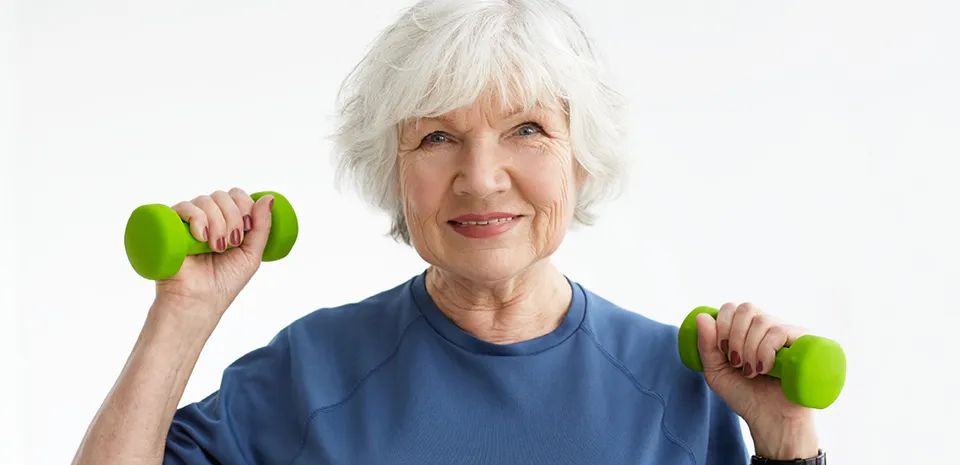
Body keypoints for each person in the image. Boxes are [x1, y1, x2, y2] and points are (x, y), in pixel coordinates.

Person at [72, 0, 828, 464]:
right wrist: (182, 314)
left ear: (581, 159)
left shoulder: (683, 386)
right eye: (437, 137)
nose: (481, 177)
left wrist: (789, 443)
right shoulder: (310, 374)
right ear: (394, 171)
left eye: (527, 129)